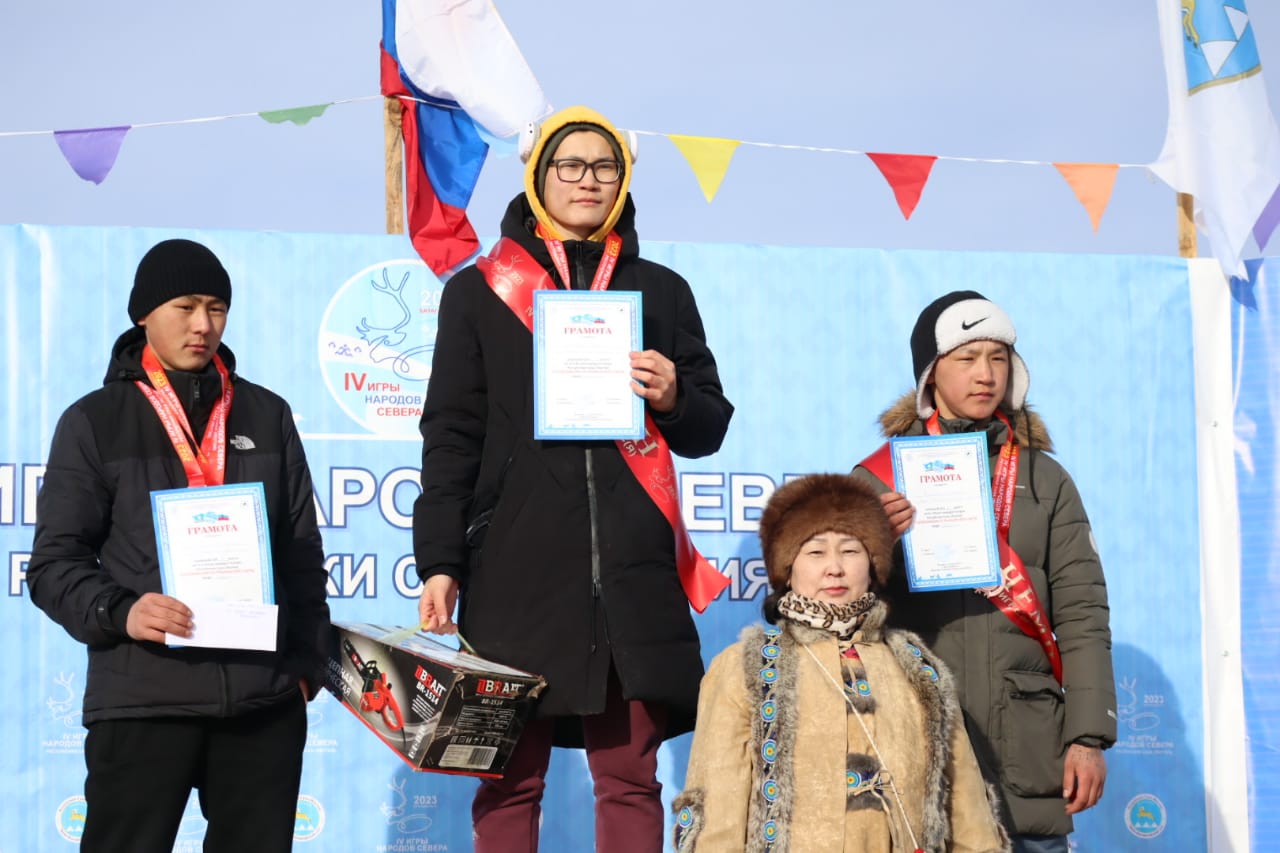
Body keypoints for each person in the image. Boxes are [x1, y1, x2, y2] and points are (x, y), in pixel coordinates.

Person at [412, 105, 734, 852]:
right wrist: (439, 560)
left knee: (629, 777)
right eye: (571, 166)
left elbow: (709, 424)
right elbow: (450, 435)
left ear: (623, 181)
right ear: (537, 177)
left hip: (630, 574)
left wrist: (674, 396)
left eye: (605, 166)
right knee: (507, 778)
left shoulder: (662, 290)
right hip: (515, 572)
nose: (588, 181)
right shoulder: (479, 291)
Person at [27, 238, 331, 853]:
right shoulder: (94, 421)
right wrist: (123, 610)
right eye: (186, 306)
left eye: (217, 308)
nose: (203, 325)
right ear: (144, 313)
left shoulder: (268, 415)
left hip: (261, 704)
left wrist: (302, 669)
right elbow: (54, 565)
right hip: (144, 701)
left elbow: (301, 552)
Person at [852, 290, 1116, 852]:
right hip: (921, 740)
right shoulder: (880, 478)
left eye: (998, 358)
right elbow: (837, 614)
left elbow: (1083, 613)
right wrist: (878, 543)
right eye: (966, 358)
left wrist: (1088, 737)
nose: (985, 374)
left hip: (1027, 745)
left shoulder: (1047, 480)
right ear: (930, 374)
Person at [673, 473, 1009, 852]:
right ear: (788, 567)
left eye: (850, 551)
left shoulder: (915, 665)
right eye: (815, 552)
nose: (834, 567)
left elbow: (966, 808)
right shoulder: (745, 667)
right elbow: (719, 809)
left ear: (873, 563)